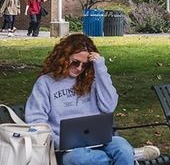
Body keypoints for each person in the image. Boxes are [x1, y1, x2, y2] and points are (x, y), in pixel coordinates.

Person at [24, 34, 160, 164]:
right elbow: (36, 121)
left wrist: (100, 68)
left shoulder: (91, 79)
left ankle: (128, 154)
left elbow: (109, 107)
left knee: (122, 146)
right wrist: (58, 141)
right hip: (69, 148)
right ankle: (132, 156)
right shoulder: (45, 83)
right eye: (75, 62)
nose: (79, 68)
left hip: (100, 140)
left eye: (85, 65)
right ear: (63, 57)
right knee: (79, 159)